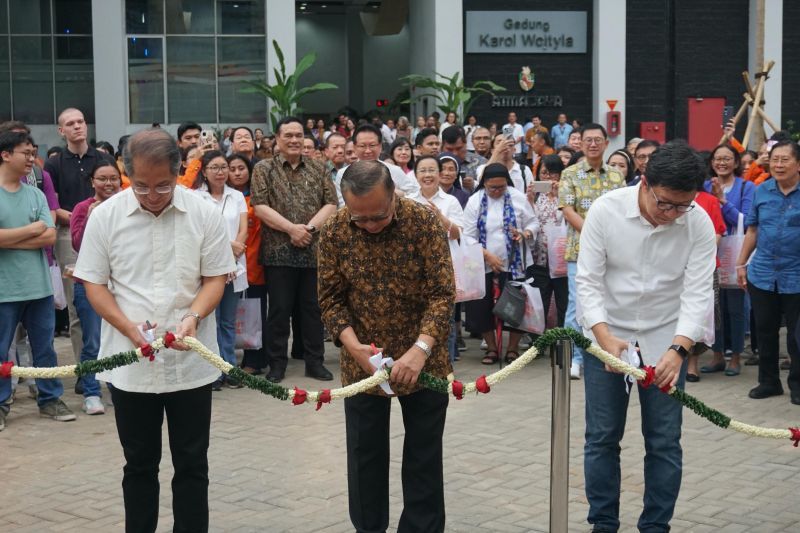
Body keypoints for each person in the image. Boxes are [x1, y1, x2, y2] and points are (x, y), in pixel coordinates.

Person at [73, 128, 235, 532]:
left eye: (163, 185)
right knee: (140, 465)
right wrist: (128, 327)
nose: (152, 195)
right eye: (141, 186)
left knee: (193, 464)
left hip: (191, 363)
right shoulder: (106, 216)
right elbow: (93, 282)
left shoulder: (202, 212)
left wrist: (193, 318)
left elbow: (215, 278)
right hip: (132, 366)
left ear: (180, 171)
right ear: (126, 173)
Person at [577, 140, 716, 533]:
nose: (671, 214)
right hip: (608, 335)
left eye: (681, 206)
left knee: (664, 441)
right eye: (664, 203)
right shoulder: (606, 211)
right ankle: (603, 524)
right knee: (603, 438)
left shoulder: (698, 222)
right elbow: (587, 282)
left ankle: (656, 526)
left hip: (665, 337)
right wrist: (604, 338)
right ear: (645, 182)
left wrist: (679, 349)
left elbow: (697, 291)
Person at [318, 160, 455, 533]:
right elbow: (330, 300)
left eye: (377, 216)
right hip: (362, 363)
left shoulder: (424, 222)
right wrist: (353, 346)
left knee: (424, 458)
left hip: (424, 359)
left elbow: (442, 295)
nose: (369, 226)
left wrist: (420, 349)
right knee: (365, 458)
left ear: (394, 194)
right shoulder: (333, 230)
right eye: (359, 219)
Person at [250, 117, 337, 383]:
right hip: (279, 252)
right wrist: (291, 230)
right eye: (288, 135)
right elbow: (260, 205)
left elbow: (331, 204)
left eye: (299, 135)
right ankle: (277, 364)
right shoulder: (263, 169)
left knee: (312, 310)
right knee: (279, 311)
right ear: (277, 139)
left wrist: (308, 230)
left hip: (312, 250)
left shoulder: (319, 168)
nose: (294, 140)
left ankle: (315, 362)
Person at [1, 130, 77, 431]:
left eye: (34, 153)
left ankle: (50, 399)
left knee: (44, 347)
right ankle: (2, 404)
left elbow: (48, 234)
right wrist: (30, 231)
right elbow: (38, 232)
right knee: (1, 349)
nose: (32, 159)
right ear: (6, 155)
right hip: (5, 289)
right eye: (26, 153)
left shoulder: (34, 193)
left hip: (39, 286)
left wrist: (10, 239)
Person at [559, 123, 626, 379]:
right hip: (580, 251)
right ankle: (574, 358)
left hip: (613, 252)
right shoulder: (570, 174)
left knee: (608, 302)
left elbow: (622, 213)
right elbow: (568, 210)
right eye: (589, 140)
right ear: (581, 143)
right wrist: (594, 237)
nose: (593, 144)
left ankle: (605, 351)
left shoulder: (616, 176)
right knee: (578, 305)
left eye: (598, 139)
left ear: (607, 143)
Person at [736, 140, 800, 406]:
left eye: (785, 159)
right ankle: (768, 382)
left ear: (798, 163)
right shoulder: (761, 191)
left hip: (796, 275)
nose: (778, 165)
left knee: (796, 335)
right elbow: (752, 230)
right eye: (775, 159)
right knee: (765, 330)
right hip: (762, 273)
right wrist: (741, 264)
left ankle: (797, 384)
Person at [463, 163, 538, 364]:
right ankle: (492, 348)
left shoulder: (518, 197)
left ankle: (512, 348)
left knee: (516, 305)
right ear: (484, 184)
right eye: (492, 187)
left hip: (514, 261)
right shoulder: (475, 201)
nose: (497, 191)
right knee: (482, 306)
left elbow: (533, 222)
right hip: (483, 261)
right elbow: (468, 235)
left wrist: (525, 233)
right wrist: (487, 256)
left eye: (501, 187)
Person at [44, 108, 99, 376]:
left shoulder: (102, 158)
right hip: (68, 235)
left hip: (104, 234)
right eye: (70, 123)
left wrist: (97, 218)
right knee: (78, 306)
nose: (77, 126)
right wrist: (81, 217)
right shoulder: (54, 164)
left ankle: (109, 368)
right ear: (61, 130)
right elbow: (52, 207)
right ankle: (85, 369)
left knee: (108, 301)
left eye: (80, 122)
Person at [70, 156, 123, 415]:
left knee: (121, 339)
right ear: (92, 181)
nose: (109, 183)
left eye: (113, 178)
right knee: (92, 342)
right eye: (102, 178)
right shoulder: (82, 207)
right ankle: (91, 393)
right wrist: (92, 218)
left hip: (122, 285)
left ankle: (118, 389)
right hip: (90, 284)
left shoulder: (129, 205)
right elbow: (78, 245)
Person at [698, 144, 755, 378]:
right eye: (717, 158)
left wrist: (722, 201)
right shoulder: (703, 186)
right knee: (714, 306)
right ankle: (717, 354)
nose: (722, 163)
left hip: (736, 252)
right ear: (711, 162)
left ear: (736, 162)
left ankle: (736, 356)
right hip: (710, 252)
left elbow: (746, 220)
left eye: (727, 159)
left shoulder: (746, 187)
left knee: (736, 307)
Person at [193, 150, 249, 390]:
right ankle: (212, 370)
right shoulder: (196, 197)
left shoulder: (236, 196)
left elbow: (243, 230)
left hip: (235, 267)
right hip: (208, 267)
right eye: (214, 167)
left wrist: (234, 251)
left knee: (228, 321)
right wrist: (227, 248)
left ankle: (229, 367)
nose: (220, 172)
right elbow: (197, 232)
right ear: (204, 171)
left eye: (223, 166)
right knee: (210, 322)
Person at [226, 153, 268, 376]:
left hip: (254, 263)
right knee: (230, 317)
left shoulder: (257, 199)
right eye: (232, 168)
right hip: (227, 264)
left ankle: (256, 360)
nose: (237, 173)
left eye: (241, 168)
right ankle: (228, 359)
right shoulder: (223, 198)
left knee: (254, 315)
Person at [527, 154, 568, 328]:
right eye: (544, 173)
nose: (549, 177)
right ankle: (538, 341)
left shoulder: (567, 194)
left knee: (563, 302)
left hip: (561, 259)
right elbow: (528, 220)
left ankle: (564, 340)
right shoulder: (535, 196)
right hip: (539, 258)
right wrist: (528, 200)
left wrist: (561, 195)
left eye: (553, 173)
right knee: (539, 301)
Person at [334, 124, 420, 207]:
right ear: (355, 147)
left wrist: (398, 195)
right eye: (362, 146)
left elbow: (415, 193)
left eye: (372, 145)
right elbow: (342, 204)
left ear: (380, 146)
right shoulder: (343, 173)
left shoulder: (394, 170)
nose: (368, 151)